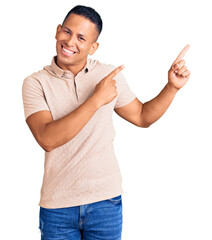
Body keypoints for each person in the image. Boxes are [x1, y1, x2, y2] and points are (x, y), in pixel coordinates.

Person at [22, 5, 190, 240]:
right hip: (57, 207)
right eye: (67, 32)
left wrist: (172, 87)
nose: (70, 42)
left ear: (93, 47)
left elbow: (142, 117)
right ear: (58, 30)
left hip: (105, 203)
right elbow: (47, 138)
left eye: (81, 37)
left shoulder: (108, 76)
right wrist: (96, 100)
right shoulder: (35, 83)